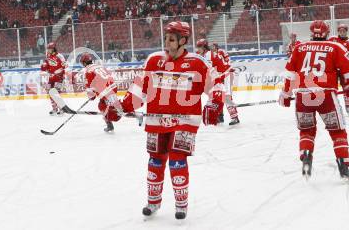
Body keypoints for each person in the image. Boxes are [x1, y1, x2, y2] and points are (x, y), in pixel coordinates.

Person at [104, 21, 224, 220]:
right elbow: (139, 91)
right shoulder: (153, 61)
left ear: (183, 41)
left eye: (171, 39)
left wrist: (215, 103)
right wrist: (120, 108)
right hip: (156, 121)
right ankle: (153, 202)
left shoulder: (197, 63)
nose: (166, 42)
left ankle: (181, 204)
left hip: (185, 121)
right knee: (155, 161)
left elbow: (216, 83)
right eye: (166, 38)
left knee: (177, 160)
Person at [279, 20, 349, 179]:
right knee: (337, 131)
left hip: (303, 95)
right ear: (327, 33)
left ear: (311, 32)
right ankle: (343, 164)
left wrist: (286, 94)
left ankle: (306, 155)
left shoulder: (299, 48)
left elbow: (289, 74)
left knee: (307, 130)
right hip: (326, 95)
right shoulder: (335, 47)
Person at [72, 53, 121, 132]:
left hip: (105, 91)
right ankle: (112, 120)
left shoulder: (88, 71)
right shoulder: (99, 66)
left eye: (82, 63)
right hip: (113, 87)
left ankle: (110, 124)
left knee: (105, 107)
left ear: (84, 62)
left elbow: (90, 89)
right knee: (110, 106)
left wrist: (91, 97)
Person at [204, 41, 240, 125]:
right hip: (220, 77)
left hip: (226, 75)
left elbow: (227, 63)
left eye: (213, 46)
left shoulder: (220, 52)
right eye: (210, 47)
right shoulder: (209, 55)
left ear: (216, 47)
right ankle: (220, 117)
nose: (211, 48)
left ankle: (234, 117)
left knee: (226, 97)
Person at [329, 24, 349, 115]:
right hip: (333, 69)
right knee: (332, 87)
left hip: (344, 70)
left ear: (346, 31)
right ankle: (333, 106)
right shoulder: (333, 40)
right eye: (340, 31)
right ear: (338, 32)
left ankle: (348, 106)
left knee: (347, 87)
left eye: (343, 31)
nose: (342, 32)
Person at [41, 42, 67, 116]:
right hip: (51, 78)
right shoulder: (48, 56)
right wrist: (44, 66)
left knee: (56, 93)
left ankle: (61, 109)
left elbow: (65, 66)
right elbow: (45, 67)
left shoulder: (60, 56)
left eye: (49, 49)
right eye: (48, 49)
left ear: (54, 49)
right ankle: (54, 108)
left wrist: (59, 71)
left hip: (59, 78)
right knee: (51, 93)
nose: (48, 50)